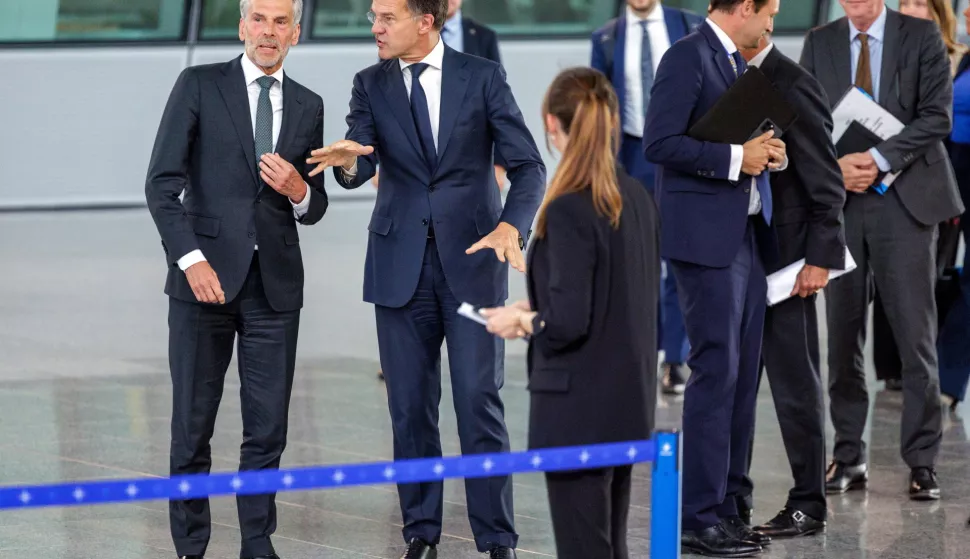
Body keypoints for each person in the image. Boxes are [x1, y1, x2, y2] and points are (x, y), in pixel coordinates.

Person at [306, 1, 546, 557]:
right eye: (372, 16)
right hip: (398, 268)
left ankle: (497, 537)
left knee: (478, 402)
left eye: (387, 16)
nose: (375, 27)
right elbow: (359, 162)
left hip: (474, 260)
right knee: (409, 408)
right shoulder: (369, 83)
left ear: (426, 20)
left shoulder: (482, 77)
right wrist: (347, 163)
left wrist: (514, 223)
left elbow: (528, 165)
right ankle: (420, 533)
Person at [145, 1, 327, 558]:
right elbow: (161, 186)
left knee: (268, 427)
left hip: (275, 288)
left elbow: (316, 206)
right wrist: (190, 260)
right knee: (191, 426)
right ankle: (190, 545)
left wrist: (300, 189)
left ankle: (256, 541)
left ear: (295, 34)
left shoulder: (308, 104)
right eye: (259, 20)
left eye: (280, 23)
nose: (268, 32)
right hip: (204, 286)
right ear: (241, 25)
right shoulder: (198, 84)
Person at [480, 66, 660, 559]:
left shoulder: (569, 209)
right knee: (610, 546)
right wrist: (537, 307)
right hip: (627, 404)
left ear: (551, 124)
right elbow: (618, 300)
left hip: (578, 409)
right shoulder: (636, 197)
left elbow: (567, 323)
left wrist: (522, 321)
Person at [800, 0, 964, 500]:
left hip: (905, 202)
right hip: (842, 205)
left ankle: (922, 461)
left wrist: (876, 158)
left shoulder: (921, 36)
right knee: (842, 335)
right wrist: (837, 164)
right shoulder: (819, 41)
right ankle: (848, 455)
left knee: (916, 336)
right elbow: (805, 122)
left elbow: (937, 116)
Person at [644, 0, 785, 556]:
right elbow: (659, 143)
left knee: (744, 375)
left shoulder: (736, 63)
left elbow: (739, 143)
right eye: (769, 10)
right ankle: (697, 516)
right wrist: (735, 158)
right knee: (717, 370)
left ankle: (728, 506)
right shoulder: (687, 57)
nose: (772, 22)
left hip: (746, 235)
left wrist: (767, 154)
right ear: (744, 7)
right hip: (705, 243)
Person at [737, 32, 846, 539]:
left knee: (795, 386)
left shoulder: (793, 83)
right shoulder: (722, 76)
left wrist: (819, 259)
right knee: (736, 384)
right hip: (737, 257)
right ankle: (731, 499)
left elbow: (826, 180)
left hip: (787, 264)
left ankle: (808, 502)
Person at [590, 0, 702, 395]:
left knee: (678, 258)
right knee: (634, 261)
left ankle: (675, 356)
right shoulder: (606, 37)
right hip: (631, 158)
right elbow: (596, 109)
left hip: (682, 156)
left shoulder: (689, 25)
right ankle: (639, 353)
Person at [873, 0, 969, 393]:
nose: (967, 15)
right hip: (939, 175)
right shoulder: (963, 62)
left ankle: (943, 378)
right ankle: (921, 372)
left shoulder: (953, 58)